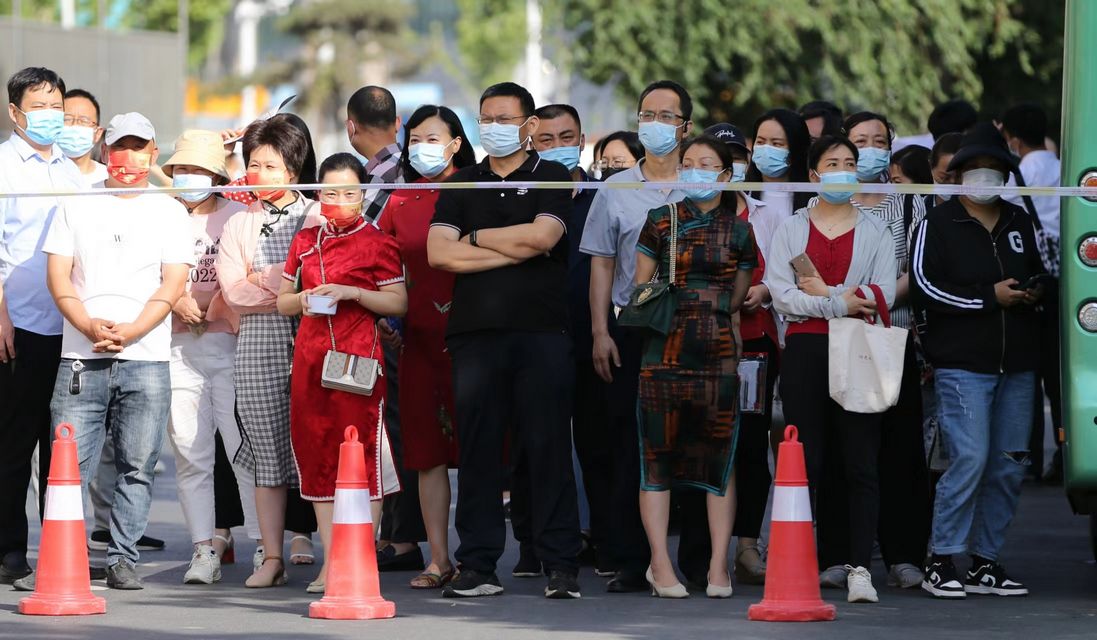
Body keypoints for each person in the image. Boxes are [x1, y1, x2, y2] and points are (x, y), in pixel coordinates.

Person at [427, 81, 581, 600]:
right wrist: (512, 247)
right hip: (475, 335)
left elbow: (544, 238)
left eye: (504, 118)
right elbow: (439, 254)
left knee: (547, 447)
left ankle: (561, 563)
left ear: (529, 125)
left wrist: (473, 240)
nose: (493, 127)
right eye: (485, 117)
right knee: (478, 452)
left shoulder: (553, 174)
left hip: (541, 332)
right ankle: (478, 565)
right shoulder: (462, 181)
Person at [43, 112, 192, 589]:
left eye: (140, 148)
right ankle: (60, 554)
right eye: (121, 147)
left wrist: (132, 331)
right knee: (69, 465)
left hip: (146, 356)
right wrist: (87, 324)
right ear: (106, 150)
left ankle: (122, 557)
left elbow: (173, 283)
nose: (128, 159)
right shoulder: (75, 204)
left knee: (138, 463)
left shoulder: (169, 210)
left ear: (154, 155)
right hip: (81, 357)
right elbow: (58, 276)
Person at [910, 122, 1045, 599]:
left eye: (994, 170)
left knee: (1009, 464)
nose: (985, 177)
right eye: (976, 169)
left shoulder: (1020, 220)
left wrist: (1034, 292)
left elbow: (1040, 271)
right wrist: (989, 298)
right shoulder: (936, 223)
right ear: (960, 174)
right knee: (968, 459)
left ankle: (985, 562)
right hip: (964, 364)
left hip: (1019, 365)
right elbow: (924, 287)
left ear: (1007, 175)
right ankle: (941, 557)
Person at [766, 134, 897, 604]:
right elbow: (782, 295)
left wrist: (824, 295)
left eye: (850, 162)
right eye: (832, 163)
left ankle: (860, 566)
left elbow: (881, 295)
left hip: (859, 349)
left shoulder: (876, 230)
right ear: (815, 175)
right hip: (804, 352)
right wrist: (839, 300)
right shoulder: (792, 228)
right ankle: (815, 560)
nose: (842, 170)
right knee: (809, 461)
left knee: (860, 461)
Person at [579, 80, 694, 594]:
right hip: (632, 329)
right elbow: (602, 265)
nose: (656, 124)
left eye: (667, 116)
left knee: (690, 444)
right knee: (629, 445)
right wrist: (600, 330)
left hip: (695, 331)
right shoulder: (616, 189)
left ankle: (694, 558)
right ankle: (629, 558)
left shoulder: (705, 185)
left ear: (685, 128)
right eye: (648, 114)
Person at [633, 135, 757, 599]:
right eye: (688, 163)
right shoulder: (658, 220)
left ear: (726, 176)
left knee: (720, 460)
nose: (695, 171)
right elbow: (639, 286)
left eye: (707, 164)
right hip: (662, 353)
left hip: (719, 354)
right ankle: (660, 564)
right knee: (656, 459)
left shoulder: (740, 230)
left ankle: (718, 566)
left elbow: (739, 294)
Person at [277, 153, 405, 594]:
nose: (338, 200)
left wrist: (353, 292)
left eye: (349, 192)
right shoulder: (305, 241)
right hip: (311, 361)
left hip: (358, 360)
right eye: (329, 192)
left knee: (361, 454)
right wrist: (306, 297)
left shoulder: (377, 241)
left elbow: (398, 302)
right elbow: (282, 301)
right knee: (317, 456)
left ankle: (358, 558)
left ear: (363, 193)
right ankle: (331, 563)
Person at [817, 111, 929, 591]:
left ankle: (902, 555)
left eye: (877, 140)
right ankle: (839, 555)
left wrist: (876, 297)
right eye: (858, 142)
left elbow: (919, 268)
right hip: (836, 340)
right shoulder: (825, 204)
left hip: (892, 340)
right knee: (842, 454)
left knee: (899, 454)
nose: (868, 150)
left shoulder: (908, 205)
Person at [217, 117, 323, 588]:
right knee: (265, 451)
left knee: (320, 446)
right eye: (252, 164)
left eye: (270, 165)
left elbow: (321, 274)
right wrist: (283, 282)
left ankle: (337, 558)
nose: (259, 174)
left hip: (315, 338)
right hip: (257, 345)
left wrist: (260, 277)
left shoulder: (317, 215)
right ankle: (272, 556)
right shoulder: (240, 222)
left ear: (293, 168)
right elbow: (232, 293)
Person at [376, 104, 476, 589]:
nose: (422, 148)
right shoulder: (399, 201)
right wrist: (385, 317)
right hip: (415, 342)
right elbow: (380, 266)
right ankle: (439, 558)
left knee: (479, 449)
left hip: (475, 339)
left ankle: (480, 557)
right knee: (427, 454)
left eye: (433, 138)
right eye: (414, 138)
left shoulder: (477, 191)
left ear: (456, 143)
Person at [510, 102, 607, 578]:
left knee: (596, 442)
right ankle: (533, 546)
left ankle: (604, 540)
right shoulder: (525, 193)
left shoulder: (603, 195)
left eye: (566, 137)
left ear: (583, 139)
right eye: (546, 140)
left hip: (593, 335)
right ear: (532, 143)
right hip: (536, 333)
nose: (557, 147)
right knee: (535, 444)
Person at [161, 129, 260, 584]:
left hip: (229, 344)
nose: (188, 176)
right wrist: (174, 300)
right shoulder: (159, 215)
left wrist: (214, 306)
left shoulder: (240, 216)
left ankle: (265, 544)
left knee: (242, 448)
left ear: (217, 174)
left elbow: (250, 274)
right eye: (181, 168)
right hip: (176, 345)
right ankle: (203, 547)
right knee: (189, 448)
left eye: (198, 169)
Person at [0, 67, 84, 586]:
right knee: (14, 443)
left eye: (57, 104)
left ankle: (61, 545)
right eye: (40, 105)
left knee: (64, 445)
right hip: (21, 323)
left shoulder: (74, 172)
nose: (51, 115)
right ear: (15, 111)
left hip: (71, 327)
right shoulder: (5, 166)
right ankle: (9, 548)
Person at [347, 85, 426, 571]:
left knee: (393, 428)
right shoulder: (410, 169)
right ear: (397, 124)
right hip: (404, 313)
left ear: (350, 124)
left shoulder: (377, 181)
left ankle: (402, 537)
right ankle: (399, 533)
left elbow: (370, 253)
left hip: (386, 322)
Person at [704, 123, 783, 585]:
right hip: (699, 345)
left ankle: (748, 546)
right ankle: (707, 551)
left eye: (734, 156)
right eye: (718, 156)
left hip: (753, 345)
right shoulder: (683, 214)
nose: (727, 164)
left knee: (751, 448)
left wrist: (764, 291)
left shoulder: (764, 214)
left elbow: (785, 269)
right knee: (706, 446)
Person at [999, 103, 1063, 484]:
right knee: (1057, 377)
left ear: (1014, 139)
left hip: (1031, 280)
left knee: (1026, 375)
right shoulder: (1063, 168)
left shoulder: (1019, 174)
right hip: (1063, 279)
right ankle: (1065, 453)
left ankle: (1029, 460)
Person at [746, 108, 813, 216]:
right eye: (760, 142)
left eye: (777, 144)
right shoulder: (741, 196)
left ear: (796, 149)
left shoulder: (814, 201)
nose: (766, 149)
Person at [58, 88, 107, 186]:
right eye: (67, 119)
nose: (75, 125)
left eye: (84, 121)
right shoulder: (40, 175)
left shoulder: (108, 178)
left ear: (97, 133)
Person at [929, 133, 963, 208]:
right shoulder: (915, 209)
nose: (953, 182)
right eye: (944, 177)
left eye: (959, 177)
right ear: (930, 167)